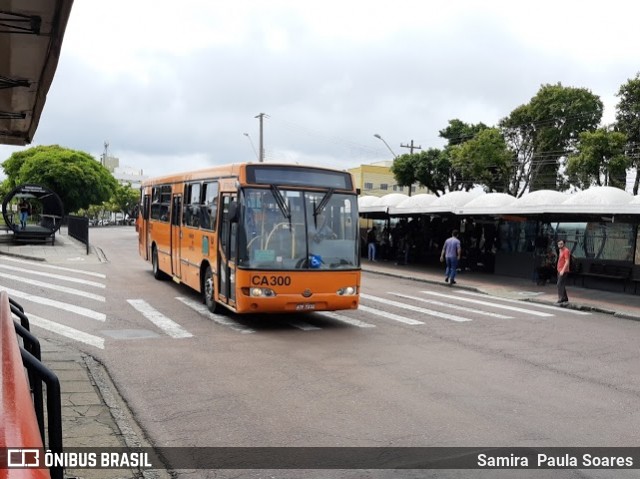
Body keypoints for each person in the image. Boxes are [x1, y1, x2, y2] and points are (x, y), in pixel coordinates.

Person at [556, 239, 570, 303]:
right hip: (559, 269)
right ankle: (565, 298)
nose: (560, 245)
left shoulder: (566, 251)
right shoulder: (560, 250)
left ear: (564, 244)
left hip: (563, 270)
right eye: (559, 244)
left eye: (561, 244)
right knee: (561, 284)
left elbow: (567, 261)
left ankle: (560, 298)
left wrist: (563, 270)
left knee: (559, 284)